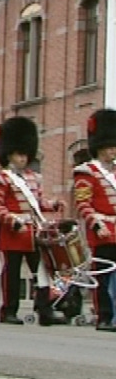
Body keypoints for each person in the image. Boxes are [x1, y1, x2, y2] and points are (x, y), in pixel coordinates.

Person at [0, 116, 67, 326]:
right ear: (9, 154)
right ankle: (9, 310)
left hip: (33, 233)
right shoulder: (1, 179)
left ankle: (44, 309)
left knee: (42, 271)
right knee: (11, 274)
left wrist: (53, 205)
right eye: (18, 154)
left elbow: (38, 203)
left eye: (24, 155)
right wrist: (11, 219)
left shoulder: (33, 178)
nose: (22, 159)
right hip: (13, 233)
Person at [74, 109, 116, 332]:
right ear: (100, 147)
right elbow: (83, 204)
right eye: (110, 147)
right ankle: (103, 316)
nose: (113, 151)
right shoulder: (87, 172)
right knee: (103, 276)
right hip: (102, 230)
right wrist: (97, 225)